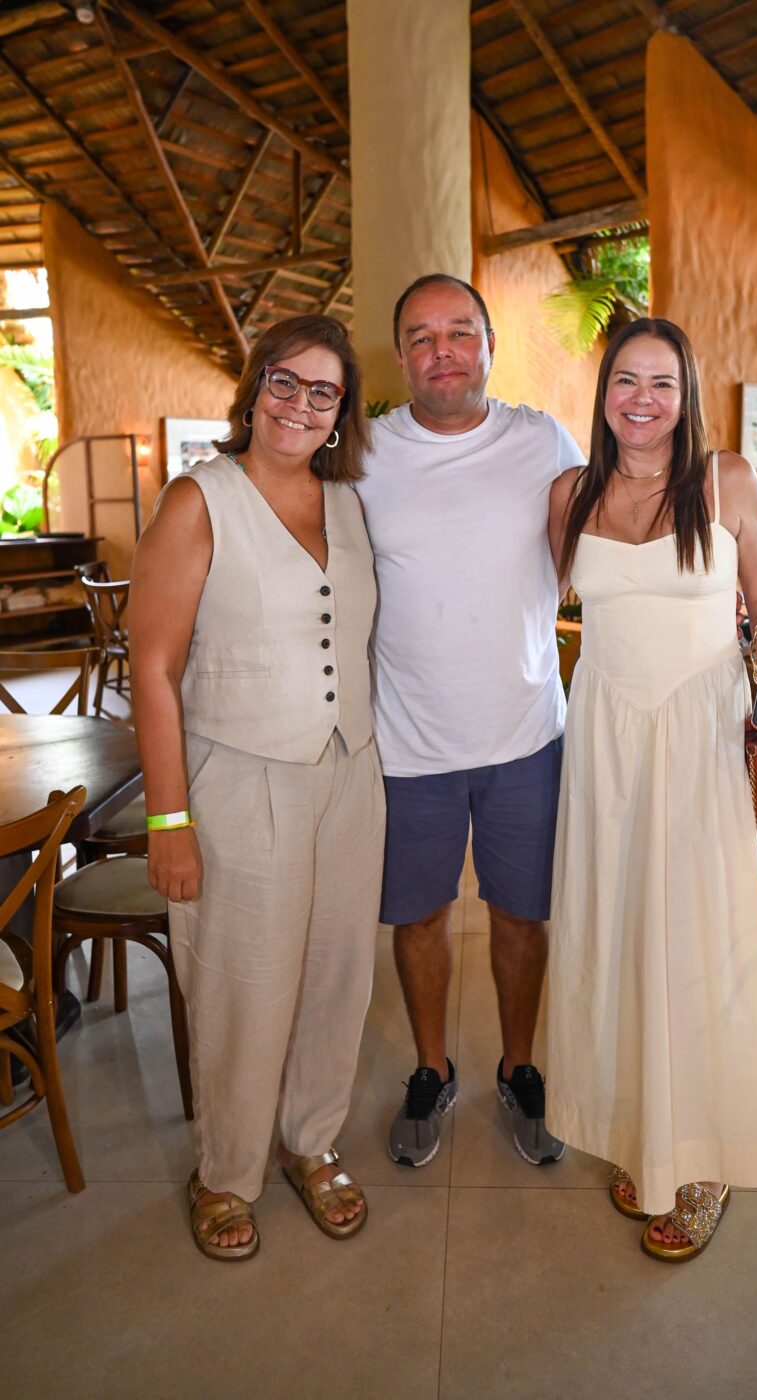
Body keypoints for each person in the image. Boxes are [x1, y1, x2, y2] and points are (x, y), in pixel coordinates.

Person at [546, 317, 757, 1261]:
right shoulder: (570, 494)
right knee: (616, 930)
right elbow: (531, 608)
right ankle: (642, 1128)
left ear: (685, 397)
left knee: (700, 939)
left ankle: (707, 1154)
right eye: (625, 380)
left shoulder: (725, 480)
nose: (642, 399)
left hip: (702, 732)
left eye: (661, 383)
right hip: (603, 734)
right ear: (603, 392)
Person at [128, 315, 385, 1261]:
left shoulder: (349, 504)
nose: (298, 405)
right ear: (254, 386)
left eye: (322, 392)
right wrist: (169, 818)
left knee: (336, 976)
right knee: (243, 984)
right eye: (284, 381)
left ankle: (310, 1142)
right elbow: (152, 668)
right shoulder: (200, 499)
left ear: (340, 411)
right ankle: (226, 1172)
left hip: (350, 772)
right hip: (240, 774)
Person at [354, 274, 584, 1168]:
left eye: (458, 332)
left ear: (489, 344)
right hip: (407, 740)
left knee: (521, 917)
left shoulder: (542, 439)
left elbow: (586, 552)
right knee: (419, 919)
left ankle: (519, 1068)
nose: (441, 350)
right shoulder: (365, 452)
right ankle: (431, 1068)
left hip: (526, 733)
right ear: (400, 355)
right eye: (421, 336)